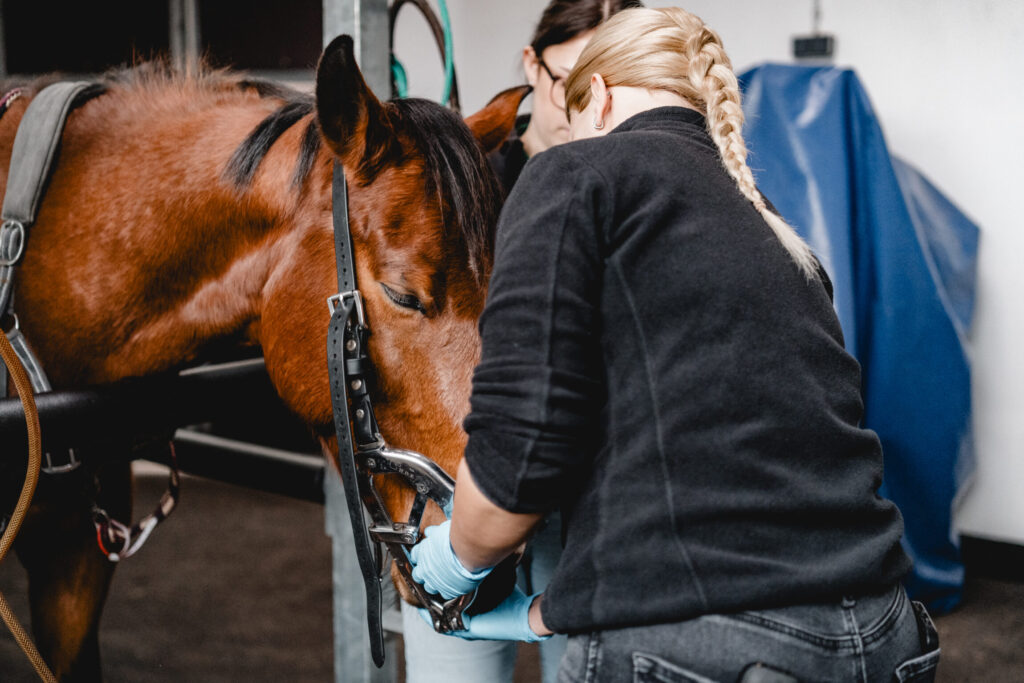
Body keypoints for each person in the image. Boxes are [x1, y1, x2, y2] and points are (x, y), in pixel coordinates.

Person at [409, 6, 941, 683]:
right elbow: (719, 464)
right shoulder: (775, 228)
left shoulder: (572, 175)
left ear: (597, 98)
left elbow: (523, 452)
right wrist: (543, 612)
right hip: (881, 632)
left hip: (712, 649)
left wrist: (459, 555)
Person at [400, 4, 642, 683]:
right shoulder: (466, 186)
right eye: (575, 78)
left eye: (617, 81)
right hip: (470, 485)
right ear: (533, 64)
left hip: (596, 499)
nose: (594, 104)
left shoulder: (636, 186)